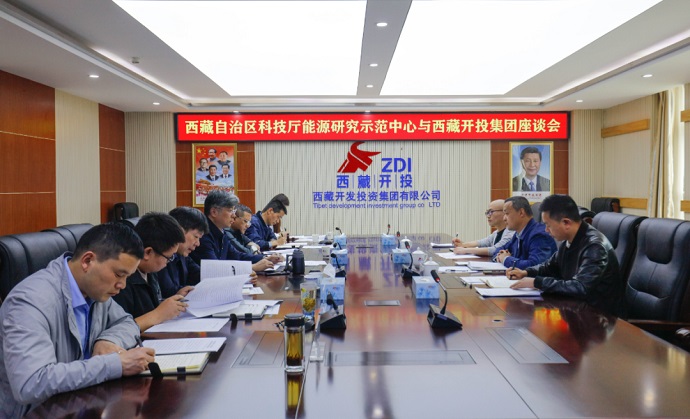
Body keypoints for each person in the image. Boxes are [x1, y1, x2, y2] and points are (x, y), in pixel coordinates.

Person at [0, 223, 155, 417]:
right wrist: (114, 364)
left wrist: (107, 340)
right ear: (87, 261)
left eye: (127, 277)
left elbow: (126, 322)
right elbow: (31, 383)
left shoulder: (95, 291)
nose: (122, 285)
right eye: (118, 274)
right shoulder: (29, 302)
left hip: (80, 406)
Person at [508, 195, 625, 316]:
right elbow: (549, 266)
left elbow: (580, 287)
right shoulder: (570, 241)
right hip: (576, 311)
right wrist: (526, 272)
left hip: (599, 318)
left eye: (548, 225)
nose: (546, 230)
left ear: (566, 223)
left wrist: (536, 282)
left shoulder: (595, 247)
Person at [112, 212, 189, 332]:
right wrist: (158, 314)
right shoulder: (121, 281)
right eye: (169, 257)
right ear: (148, 253)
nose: (168, 262)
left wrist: (171, 302)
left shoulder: (150, 270)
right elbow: (118, 329)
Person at [189, 190, 273, 271]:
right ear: (214, 212)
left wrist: (264, 258)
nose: (234, 215)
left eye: (234, 210)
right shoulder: (203, 235)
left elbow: (237, 256)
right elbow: (214, 269)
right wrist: (252, 268)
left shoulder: (222, 231)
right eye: (230, 210)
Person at [158, 206, 209, 298]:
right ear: (180, 230)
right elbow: (168, 291)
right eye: (196, 237)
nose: (198, 243)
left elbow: (198, 273)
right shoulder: (160, 254)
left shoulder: (182, 253)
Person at [493, 196, 557, 269]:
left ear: (521, 213)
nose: (504, 218)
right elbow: (500, 249)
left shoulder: (539, 235)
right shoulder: (518, 233)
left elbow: (534, 266)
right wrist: (500, 256)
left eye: (507, 214)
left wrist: (506, 259)